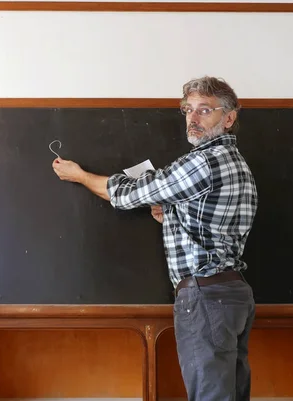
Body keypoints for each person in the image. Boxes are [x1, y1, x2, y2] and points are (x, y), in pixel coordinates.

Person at [52, 76, 258, 401]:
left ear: (229, 118)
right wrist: (171, 212)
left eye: (205, 110)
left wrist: (79, 176)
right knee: (230, 394)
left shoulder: (204, 161)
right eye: (188, 110)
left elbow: (128, 194)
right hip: (231, 294)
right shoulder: (235, 164)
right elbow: (204, 224)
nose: (193, 118)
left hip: (206, 296)